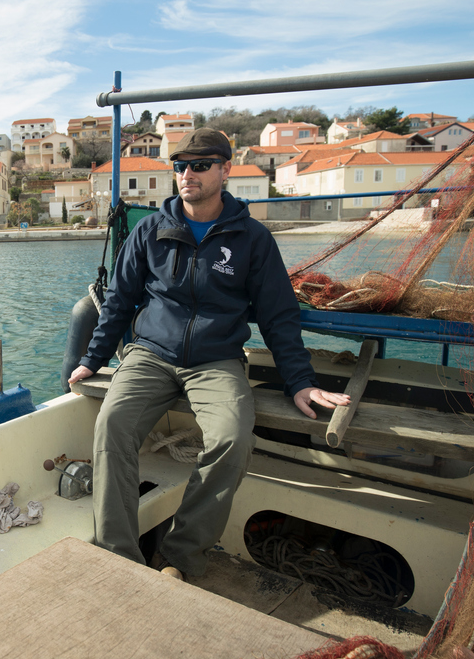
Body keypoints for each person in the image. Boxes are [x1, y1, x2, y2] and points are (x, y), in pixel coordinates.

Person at [67, 127, 349, 580]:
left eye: (199, 165)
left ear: (225, 169)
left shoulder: (253, 240)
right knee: (112, 426)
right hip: (150, 354)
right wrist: (92, 359)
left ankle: (180, 557)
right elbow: (118, 301)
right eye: (180, 166)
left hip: (217, 360)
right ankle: (119, 557)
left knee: (232, 440)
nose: (187, 174)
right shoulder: (149, 231)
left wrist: (300, 381)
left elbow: (278, 317)